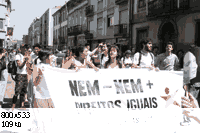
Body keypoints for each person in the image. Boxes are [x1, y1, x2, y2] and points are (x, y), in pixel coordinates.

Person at [11, 45, 29, 111]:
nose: (25, 49)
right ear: (21, 49)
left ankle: (22, 105)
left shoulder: (26, 56)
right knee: (17, 91)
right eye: (24, 48)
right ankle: (13, 106)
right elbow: (19, 66)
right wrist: (24, 61)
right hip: (20, 75)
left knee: (23, 91)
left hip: (25, 75)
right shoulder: (18, 56)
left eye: (26, 48)